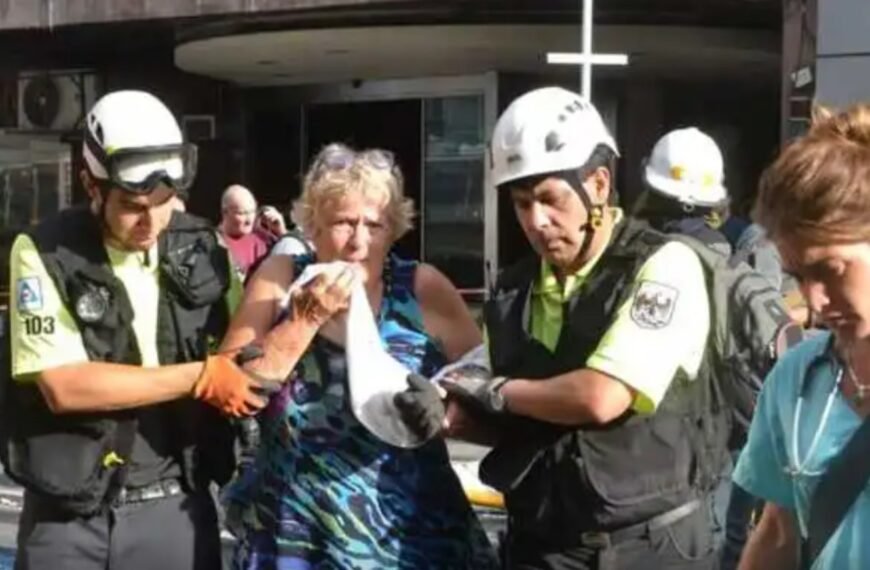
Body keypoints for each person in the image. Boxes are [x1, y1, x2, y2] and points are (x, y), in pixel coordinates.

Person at [440, 87, 721, 569]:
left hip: (647, 547)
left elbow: (601, 397)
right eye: (521, 203)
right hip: (541, 543)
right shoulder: (514, 289)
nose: (536, 221)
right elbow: (519, 420)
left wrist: (499, 392)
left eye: (549, 199)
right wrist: (450, 415)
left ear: (597, 182)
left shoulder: (663, 265)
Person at [1, 90, 282, 570]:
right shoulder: (43, 252)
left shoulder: (204, 247)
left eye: (164, 200)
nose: (151, 221)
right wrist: (201, 376)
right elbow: (63, 385)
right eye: (133, 204)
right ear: (92, 185)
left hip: (175, 507)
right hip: (68, 518)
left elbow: (252, 349)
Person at [221, 143, 498, 569]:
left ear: (395, 228)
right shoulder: (280, 280)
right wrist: (303, 321)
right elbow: (230, 387)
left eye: (375, 224)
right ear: (312, 225)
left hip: (407, 533)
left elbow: (484, 382)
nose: (359, 241)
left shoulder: (422, 288)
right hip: (299, 528)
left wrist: (444, 407)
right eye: (344, 223)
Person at [733, 103, 870, 570]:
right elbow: (778, 531)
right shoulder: (796, 379)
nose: (814, 302)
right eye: (797, 275)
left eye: (830, 270)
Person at [219, 184, 282, 277]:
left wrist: (282, 232)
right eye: (242, 213)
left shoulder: (264, 237)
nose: (249, 220)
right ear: (225, 212)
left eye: (252, 212)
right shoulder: (215, 243)